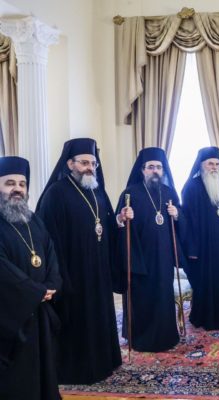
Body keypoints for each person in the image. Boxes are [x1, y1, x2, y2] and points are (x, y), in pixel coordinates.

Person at [37, 138, 122, 384]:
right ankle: (79, 370)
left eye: (93, 163)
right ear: (70, 164)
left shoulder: (97, 190)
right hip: (73, 272)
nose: (90, 168)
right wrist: (60, 276)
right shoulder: (56, 194)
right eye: (84, 162)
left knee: (99, 315)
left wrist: (118, 222)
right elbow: (49, 240)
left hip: (99, 270)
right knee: (79, 321)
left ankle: (105, 362)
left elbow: (105, 226)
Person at [0, 156, 62, 400]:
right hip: (10, 314)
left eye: (22, 184)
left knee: (42, 364)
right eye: (10, 183)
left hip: (39, 308)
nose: (17, 189)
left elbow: (50, 253)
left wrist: (51, 285)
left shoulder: (33, 219)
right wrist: (35, 291)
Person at [115, 147, 184, 352]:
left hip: (164, 257)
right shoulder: (130, 194)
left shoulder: (169, 193)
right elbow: (117, 223)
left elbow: (181, 222)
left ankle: (167, 335)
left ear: (163, 170)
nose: (155, 171)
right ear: (142, 170)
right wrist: (122, 218)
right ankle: (140, 338)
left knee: (163, 296)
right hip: (140, 258)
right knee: (142, 298)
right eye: (151, 167)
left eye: (159, 167)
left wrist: (176, 213)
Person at [181, 146, 219, 331]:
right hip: (203, 247)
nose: (214, 167)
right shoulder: (191, 187)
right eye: (210, 164)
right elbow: (187, 220)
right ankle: (205, 318)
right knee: (206, 283)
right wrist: (192, 248)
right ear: (201, 165)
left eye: (217, 164)